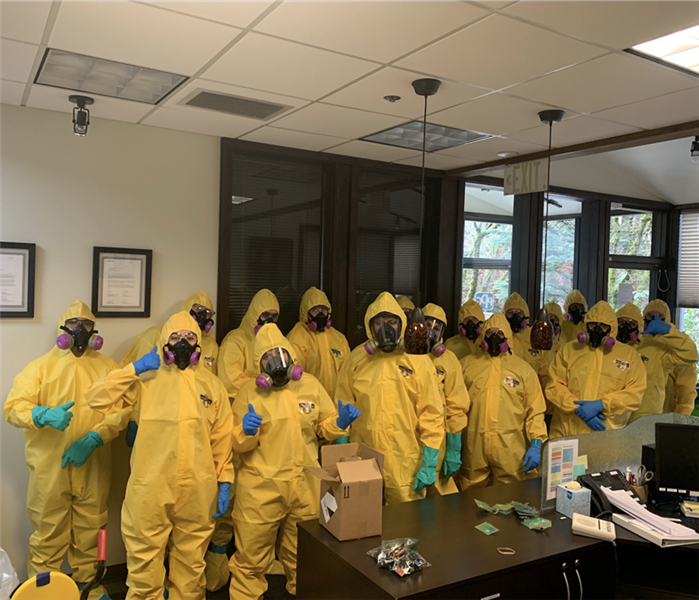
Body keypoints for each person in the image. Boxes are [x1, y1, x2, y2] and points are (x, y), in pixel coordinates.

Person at [86, 312, 234, 600]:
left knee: (191, 574)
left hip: (198, 491)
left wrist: (225, 479)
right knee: (144, 573)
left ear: (199, 345)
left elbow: (222, 439)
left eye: (190, 337)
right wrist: (134, 369)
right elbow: (96, 398)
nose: (182, 343)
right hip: (150, 489)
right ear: (164, 343)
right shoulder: (145, 380)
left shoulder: (212, 386)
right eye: (175, 338)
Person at [4, 301, 130, 600]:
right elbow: (12, 408)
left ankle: (91, 587)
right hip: (50, 468)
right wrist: (42, 415)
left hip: (93, 463)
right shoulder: (40, 368)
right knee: (48, 533)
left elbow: (123, 409)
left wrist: (95, 438)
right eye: (73, 322)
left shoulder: (108, 368)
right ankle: (43, 591)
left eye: (86, 324)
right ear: (63, 328)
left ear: (94, 330)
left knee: (92, 530)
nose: (80, 330)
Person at [228, 324, 359, 600]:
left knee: (304, 555)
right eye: (268, 358)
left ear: (291, 356)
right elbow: (237, 444)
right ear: (258, 365)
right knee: (251, 559)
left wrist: (340, 422)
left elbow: (324, 424)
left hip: (305, 485)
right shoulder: (248, 393)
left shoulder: (309, 385)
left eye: (281, 354)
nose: (277, 363)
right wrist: (245, 431)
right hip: (261, 490)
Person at [334, 292, 444, 504]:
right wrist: (342, 450)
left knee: (406, 526)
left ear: (402, 325)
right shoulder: (357, 359)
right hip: (362, 457)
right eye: (379, 323)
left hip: (405, 462)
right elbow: (343, 403)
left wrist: (430, 462)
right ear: (370, 326)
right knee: (362, 522)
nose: (385, 329)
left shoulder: (418, 361)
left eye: (392, 322)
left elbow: (432, 415)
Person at [206, 288, 280, 590]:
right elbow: (230, 381)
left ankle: (253, 565)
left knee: (258, 505)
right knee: (228, 500)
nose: (269, 321)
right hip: (237, 423)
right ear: (252, 315)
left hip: (266, 433)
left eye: (274, 317)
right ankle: (216, 568)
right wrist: (259, 386)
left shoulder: (276, 347)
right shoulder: (236, 340)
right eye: (264, 316)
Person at [458, 313, 547, 489]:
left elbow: (535, 410)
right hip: (473, 445)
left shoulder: (523, 369)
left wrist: (536, 442)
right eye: (490, 332)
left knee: (510, 494)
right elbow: (454, 405)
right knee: (470, 494)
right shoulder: (466, 365)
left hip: (510, 448)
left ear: (507, 337)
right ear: (483, 335)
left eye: (500, 333)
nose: (494, 338)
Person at [546, 301, 647, 437]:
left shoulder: (629, 356)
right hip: (566, 431)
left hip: (606, 435)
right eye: (592, 324)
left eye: (604, 326)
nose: (597, 330)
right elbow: (554, 385)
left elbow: (635, 393)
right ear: (586, 324)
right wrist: (576, 408)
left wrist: (603, 404)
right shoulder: (569, 350)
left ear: (612, 329)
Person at [616, 301, 698, 422]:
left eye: (660, 317)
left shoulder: (668, 349)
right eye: (650, 316)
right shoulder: (624, 347)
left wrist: (679, 418)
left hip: (651, 414)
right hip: (619, 413)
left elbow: (687, 390)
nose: (654, 320)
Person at [422, 303, 470, 496]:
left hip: (438, 437)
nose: (430, 332)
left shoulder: (449, 361)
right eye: (426, 325)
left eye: (436, 328)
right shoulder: (405, 356)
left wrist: (453, 445)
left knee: (440, 494)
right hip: (407, 437)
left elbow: (456, 404)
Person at [119, 291, 219, 373]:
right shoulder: (152, 335)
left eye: (207, 313)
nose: (201, 315)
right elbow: (127, 373)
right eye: (197, 308)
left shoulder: (211, 344)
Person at [286, 287, 351, 398]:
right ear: (306, 313)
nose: (320, 314)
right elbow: (294, 378)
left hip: (336, 404)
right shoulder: (295, 339)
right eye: (315, 310)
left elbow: (348, 373)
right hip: (308, 403)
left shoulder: (339, 338)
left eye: (323, 310)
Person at [503, 292, 544, 375]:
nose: (515, 316)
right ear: (504, 316)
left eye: (519, 313)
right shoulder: (500, 336)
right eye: (510, 312)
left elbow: (545, 370)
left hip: (531, 385)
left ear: (526, 315)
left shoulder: (536, 337)